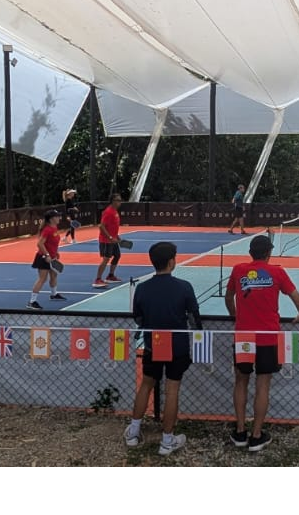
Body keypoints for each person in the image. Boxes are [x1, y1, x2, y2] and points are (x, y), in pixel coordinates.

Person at [225, 234, 299, 453]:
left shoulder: (238, 270)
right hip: (268, 336)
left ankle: (241, 431)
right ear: (269, 253)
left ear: (250, 252)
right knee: (263, 385)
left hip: (243, 336)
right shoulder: (278, 272)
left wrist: (236, 317)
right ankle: (256, 436)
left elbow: (228, 297)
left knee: (241, 381)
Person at [124, 241, 203, 456]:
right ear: (171, 262)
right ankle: (167, 441)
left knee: (146, 384)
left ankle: (133, 432)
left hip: (153, 344)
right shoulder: (184, 287)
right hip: (177, 346)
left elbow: (138, 317)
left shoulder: (142, 288)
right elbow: (195, 319)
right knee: (172, 389)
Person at [27, 210, 66, 310]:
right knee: (42, 279)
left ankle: (54, 294)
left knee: (54, 275)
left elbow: (53, 243)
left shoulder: (54, 228)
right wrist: (47, 255)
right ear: (52, 218)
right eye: (57, 216)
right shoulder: (47, 230)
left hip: (52, 257)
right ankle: (32, 302)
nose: (59, 218)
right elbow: (40, 244)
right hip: (43, 258)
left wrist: (56, 252)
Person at [94, 194, 124, 289]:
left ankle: (110, 276)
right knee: (106, 259)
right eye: (118, 200)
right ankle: (98, 279)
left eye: (120, 200)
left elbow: (112, 226)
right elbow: (101, 226)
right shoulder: (108, 212)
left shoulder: (115, 211)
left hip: (113, 239)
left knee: (117, 256)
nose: (120, 202)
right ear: (112, 201)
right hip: (106, 240)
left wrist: (117, 236)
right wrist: (110, 237)